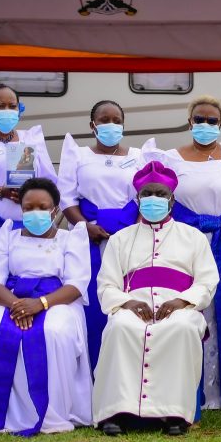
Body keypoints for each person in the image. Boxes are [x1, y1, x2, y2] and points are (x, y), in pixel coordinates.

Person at [144, 95, 221, 410]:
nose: (206, 125)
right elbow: (155, 200)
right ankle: (198, 393)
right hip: (185, 242)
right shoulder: (169, 158)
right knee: (193, 311)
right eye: (200, 119)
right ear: (190, 122)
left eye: (212, 121)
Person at [93, 162, 219, 436]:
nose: (154, 199)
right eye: (147, 193)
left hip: (179, 308)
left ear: (172, 200)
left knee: (182, 328)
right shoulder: (120, 239)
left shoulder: (193, 237)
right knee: (120, 327)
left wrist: (181, 302)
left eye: (160, 194)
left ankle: (175, 414)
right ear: (137, 199)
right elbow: (106, 284)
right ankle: (116, 413)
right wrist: (127, 303)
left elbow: (208, 281)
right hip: (132, 306)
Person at [0, 178, 91, 435]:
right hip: (12, 299)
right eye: (29, 207)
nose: (35, 212)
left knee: (55, 331)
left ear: (55, 210)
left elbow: (77, 284)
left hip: (57, 299)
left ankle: (53, 411)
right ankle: (5, 411)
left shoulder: (71, 238)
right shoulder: (8, 235)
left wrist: (40, 304)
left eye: (42, 206)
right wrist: (18, 306)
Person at [58, 100, 144, 368]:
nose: (111, 125)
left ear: (123, 124)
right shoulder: (78, 154)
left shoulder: (139, 156)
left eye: (116, 120)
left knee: (126, 298)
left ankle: (125, 368)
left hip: (127, 237)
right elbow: (67, 199)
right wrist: (84, 227)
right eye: (104, 120)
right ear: (92, 125)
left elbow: (145, 198)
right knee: (92, 301)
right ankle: (89, 370)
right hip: (88, 239)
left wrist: (136, 231)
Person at [0, 83, 56, 241]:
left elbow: (50, 182)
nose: (6, 110)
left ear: (19, 110)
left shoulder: (30, 138)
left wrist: (30, 191)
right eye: (0, 106)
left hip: (34, 228)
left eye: (12, 106)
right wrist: (2, 191)